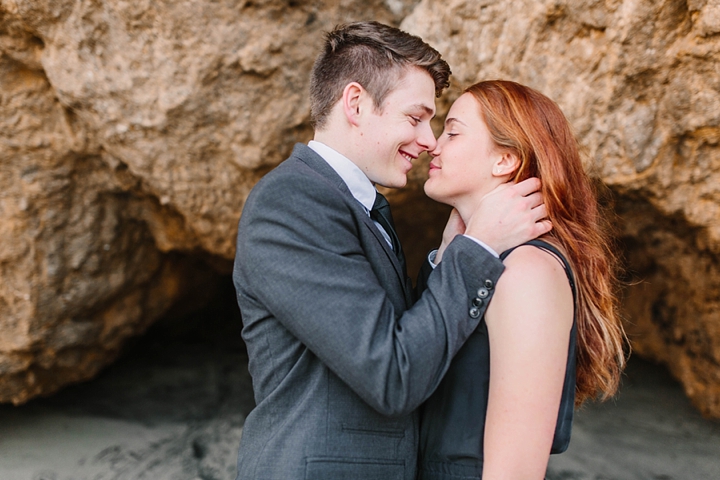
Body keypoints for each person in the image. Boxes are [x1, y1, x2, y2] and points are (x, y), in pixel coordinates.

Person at [232, 23, 550, 480]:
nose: (428, 140)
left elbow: (398, 336)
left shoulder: (358, 206)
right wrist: (478, 247)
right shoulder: (292, 202)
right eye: (415, 117)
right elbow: (391, 375)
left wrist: (448, 252)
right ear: (356, 103)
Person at [417, 80, 628, 480]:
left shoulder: (527, 271)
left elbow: (514, 471)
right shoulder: (481, 262)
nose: (433, 144)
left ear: (505, 160)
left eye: (453, 131)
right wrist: (449, 255)